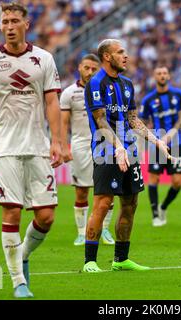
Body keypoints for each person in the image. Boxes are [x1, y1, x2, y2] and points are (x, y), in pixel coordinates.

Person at [0, 2, 63, 297]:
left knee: (46, 217)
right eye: (5, 21)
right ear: (0, 25)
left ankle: (23, 254)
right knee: (12, 213)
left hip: (38, 145)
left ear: (26, 24)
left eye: (15, 20)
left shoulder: (44, 58)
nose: (9, 26)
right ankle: (19, 281)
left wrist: (57, 140)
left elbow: (52, 102)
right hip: (4, 147)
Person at [82, 39, 171, 272]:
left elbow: (132, 119)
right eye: (120, 52)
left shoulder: (128, 84)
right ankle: (90, 261)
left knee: (130, 203)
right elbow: (100, 119)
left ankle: (120, 259)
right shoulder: (95, 83)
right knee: (103, 203)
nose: (126, 56)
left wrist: (155, 140)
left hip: (129, 151)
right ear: (107, 57)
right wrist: (117, 147)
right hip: (105, 151)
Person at [60, 54, 115, 246]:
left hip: (104, 144)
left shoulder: (106, 89)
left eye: (94, 68)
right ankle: (82, 233)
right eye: (87, 68)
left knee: (109, 190)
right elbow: (63, 123)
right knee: (82, 191)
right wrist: (63, 147)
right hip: (80, 145)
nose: (90, 72)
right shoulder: (69, 93)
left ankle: (105, 230)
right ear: (79, 68)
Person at [139, 66, 181, 227]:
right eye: (159, 73)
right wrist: (151, 136)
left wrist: (170, 134)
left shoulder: (178, 95)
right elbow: (142, 122)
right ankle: (155, 215)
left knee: (177, 182)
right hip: (156, 146)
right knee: (154, 178)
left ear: (169, 76)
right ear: (154, 76)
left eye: (165, 73)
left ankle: (163, 206)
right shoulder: (148, 100)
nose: (162, 76)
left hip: (176, 143)